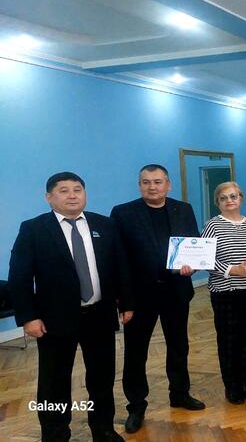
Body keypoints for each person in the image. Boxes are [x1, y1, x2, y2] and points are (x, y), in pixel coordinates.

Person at [8, 172, 133, 442]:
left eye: (77, 189)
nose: (72, 195)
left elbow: (120, 266)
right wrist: (28, 317)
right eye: (63, 190)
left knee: (102, 379)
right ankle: (54, 434)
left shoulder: (105, 224)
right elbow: (19, 277)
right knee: (54, 382)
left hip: (99, 315)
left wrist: (127, 303)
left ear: (85, 194)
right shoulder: (33, 229)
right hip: (54, 320)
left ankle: (103, 429)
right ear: (49, 197)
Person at [110, 164, 205, 434]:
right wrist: (123, 301)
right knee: (136, 352)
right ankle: (136, 405)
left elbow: (194, 243)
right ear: (139, 185)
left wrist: (193, 265)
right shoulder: (123, 213)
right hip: (139, 296)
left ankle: (180, 393)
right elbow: (118, 259)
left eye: (158, 181)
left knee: (179, 345)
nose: (152, 186)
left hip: (176, 290)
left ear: (168, 185)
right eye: (146, 182)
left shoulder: (183, 209)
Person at [201, 182, 246, 405]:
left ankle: (244, 382)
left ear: (241, 198)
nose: (229, 201)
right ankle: (232, 386)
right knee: (228, 340)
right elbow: (205, 258)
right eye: (223, 198)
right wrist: (232, 270)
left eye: (233, 196)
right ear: (217, 202)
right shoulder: (212, 225)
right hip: (224, 292)